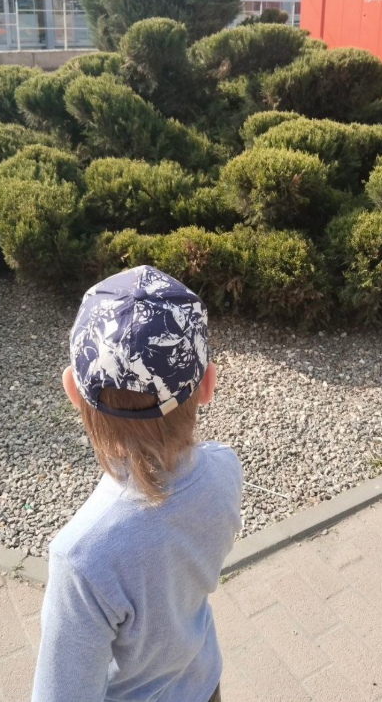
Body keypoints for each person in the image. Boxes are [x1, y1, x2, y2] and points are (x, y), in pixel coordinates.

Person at [31, 265, 243, 702]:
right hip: (203, 683)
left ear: (72, 390)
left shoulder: (82, 558)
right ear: (207, 384)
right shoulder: (225, 468)